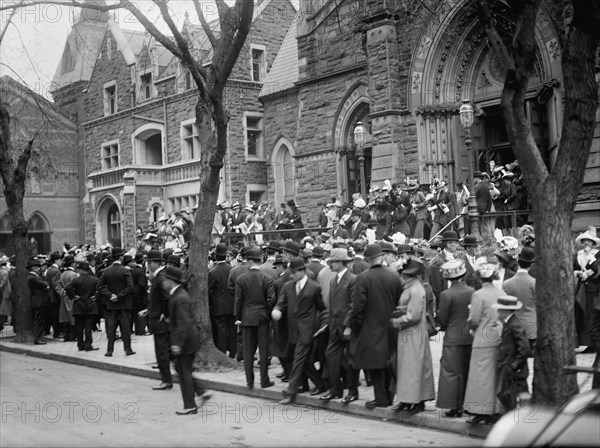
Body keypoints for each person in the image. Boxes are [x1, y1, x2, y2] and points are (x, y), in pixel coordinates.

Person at [344, 243, 402, 409]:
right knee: (389, 361)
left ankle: (380, 397)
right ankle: (390, 397)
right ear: (382, 256)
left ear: (368, 259)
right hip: (391, 325)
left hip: (370, 327)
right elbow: (399, 300)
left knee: (375, 364)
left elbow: (357, 307)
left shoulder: (363, 278)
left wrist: (354, 326)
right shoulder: (394, 276)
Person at [273, 257, 326, 405]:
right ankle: (321, 383)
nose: (292, 275)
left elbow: (321, 308)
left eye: (294, 272)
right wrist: (277, 310)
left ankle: (291, 393)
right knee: (305, 361)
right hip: (292, 329)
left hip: (307, 330)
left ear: (303, 271)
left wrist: (321, 325)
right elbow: (281, 302)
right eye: (291, 272)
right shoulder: (288, 286)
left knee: (297, 359)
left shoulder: (314, 288)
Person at [162, 266, 210, 415]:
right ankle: (201, 392)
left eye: (165, 279)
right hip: (188, 338)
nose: (163, 282)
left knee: (184, 372)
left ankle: (190, 405)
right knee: (181, 369)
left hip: (186, 340)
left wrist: (177, 343)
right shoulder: (178, 294)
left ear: (171, 281)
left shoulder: (179, 297)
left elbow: (184, 323)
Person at [391, 257, 435, 414]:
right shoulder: (411, 288)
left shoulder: (415, 290)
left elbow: (414, 315)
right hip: (408, 333)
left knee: (413, 368)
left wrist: (397, 321)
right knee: (407, 367)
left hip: (413, 333)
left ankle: (416, 400)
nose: (401, 276)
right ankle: (407, 399)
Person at [463, 256, 504, 424]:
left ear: (480, 277)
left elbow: (474, 319)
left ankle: (481, 411)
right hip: (499, 337)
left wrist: (472, 328)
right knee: (496, 375)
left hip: (482, 338)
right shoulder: (502, 293)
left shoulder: (478, 295)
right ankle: (496, 410)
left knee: (481, 376)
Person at [436, 259, 474, 418]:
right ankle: (467, 404)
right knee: (467, 371)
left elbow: (442, 319)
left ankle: (454, 406)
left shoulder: (446, 295)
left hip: (452, 337)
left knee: (452, 373)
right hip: (470, 336)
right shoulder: (472, 291)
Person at [320, 248, 358, 403]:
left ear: (343, 263)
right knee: (331, 356)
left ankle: (353, 391)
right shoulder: (333, 280)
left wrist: (349, 325)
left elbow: (354, 304)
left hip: (348, 326)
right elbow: (332, 304)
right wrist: (329, 323)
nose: (330, 264)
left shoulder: (353, 280)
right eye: (330, 262)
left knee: (351, 359)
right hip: (335, 325)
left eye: (334, 262)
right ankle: (335, 390)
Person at [234, 249, 276, 390]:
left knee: (248, 351)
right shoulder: (267, 279)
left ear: (251, 261)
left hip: (247, 317)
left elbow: (238, 300)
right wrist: (268, 314)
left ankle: (249, 381)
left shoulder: (241, 279)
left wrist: (238, 317)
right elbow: (271, 300)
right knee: (263, 350)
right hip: (263, 317)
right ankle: (264, 380)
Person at [139, 250, 172, 390]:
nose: (147, 265)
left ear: (154, 263)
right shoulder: (158, 276)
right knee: (164, 351)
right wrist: (149, 309)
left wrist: (164, 313)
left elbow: (167, 298)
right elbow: (158, 299)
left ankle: (166, 380)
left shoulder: (161, 277)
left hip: (160, 323)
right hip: (158, 319)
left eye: (149, 262)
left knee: (162, 352)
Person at [493, 295, 531, 413]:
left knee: (512, 396)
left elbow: (524, 347)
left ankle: (515, 421)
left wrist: (515, 365)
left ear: (505, 311)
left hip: (514, 370)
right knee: (507, 395)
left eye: (499, 309)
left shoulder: (514, 324)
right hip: (510, 367)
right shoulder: (509, 323)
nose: (498, 312)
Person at [96, 247, 135, 357]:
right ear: (121, 257)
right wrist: (119, 296)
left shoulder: (106, 271)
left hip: (111, 305)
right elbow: (130, 287)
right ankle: (128, 349)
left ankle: (109, 350)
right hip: (123, 304)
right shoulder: (125, 270)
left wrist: (110, 295)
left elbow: (100, 286)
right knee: (125, 327)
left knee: (111, 328)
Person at [504, 247, 537, 354]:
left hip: (514, 325)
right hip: (531, 325)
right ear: (531, 265)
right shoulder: (534, 283)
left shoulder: (507, 284)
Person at [573, 227, 600, 352]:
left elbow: (597, 269)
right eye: (584, 241)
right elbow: (573, 268)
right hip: (581, 287)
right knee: (582, 313)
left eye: (589, 241)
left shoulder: (597, 254)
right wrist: (579, 273)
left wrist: (588, 272)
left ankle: (594, 343)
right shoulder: (578, 254)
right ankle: (586, 342)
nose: (586, 243)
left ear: (593, 243)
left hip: (593, 288)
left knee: (591, 313)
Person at [208, 243, 236, 358]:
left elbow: (209, 291)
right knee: (232, 329)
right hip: (231, 305)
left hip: (218, 306)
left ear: (216, 256)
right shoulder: (232, 269)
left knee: (221, 331)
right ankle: (233, 353)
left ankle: (222, 353)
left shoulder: (212, 272)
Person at [66, 261, 99, 351]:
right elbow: (101, 289)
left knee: (79, 327)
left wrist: (73, 296)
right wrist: (95, 297)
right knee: (88, 326)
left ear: (80, 270)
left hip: (79, 305)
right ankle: (88, 345)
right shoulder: (94, 280)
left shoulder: (76, 280)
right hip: (90, 305)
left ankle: (80, 345)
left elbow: (67, 287)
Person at [28, 257, 50, 345]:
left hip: (40, 301)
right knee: (39, 321)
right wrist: (46, 286)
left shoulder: (35, 277)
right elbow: (44, 284)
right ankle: (38, 338)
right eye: (37, 267)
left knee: (40, 321)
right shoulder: (32, 277)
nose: (38, 268)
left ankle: (40, 337)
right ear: (33, 268)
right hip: (38, 301)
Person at [57, 255, 77, 341]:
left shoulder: (62, 274)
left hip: (64, 298)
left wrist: (62, 292)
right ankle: (73, 336)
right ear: (72, 263)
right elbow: (76, 287)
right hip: (71, 298)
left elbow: (57, 287)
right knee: (72, 317)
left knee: (65, 318)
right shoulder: (74, 274)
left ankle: (66, 336)